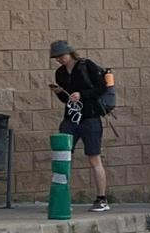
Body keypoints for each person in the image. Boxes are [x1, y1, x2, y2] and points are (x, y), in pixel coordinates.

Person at [47, 40, 111, 212]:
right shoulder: (60, 73)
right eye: (56, 57)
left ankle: (102, 198)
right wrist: (60, 92)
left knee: (94, 157)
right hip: (70, 118)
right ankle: (62, 197)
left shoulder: (86, 65)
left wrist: (81, 94)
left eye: (61, 56)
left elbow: (101, 88)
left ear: (70, 53)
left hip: (90, 117)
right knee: (63, 157)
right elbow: (65, 99)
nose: (59, 59)